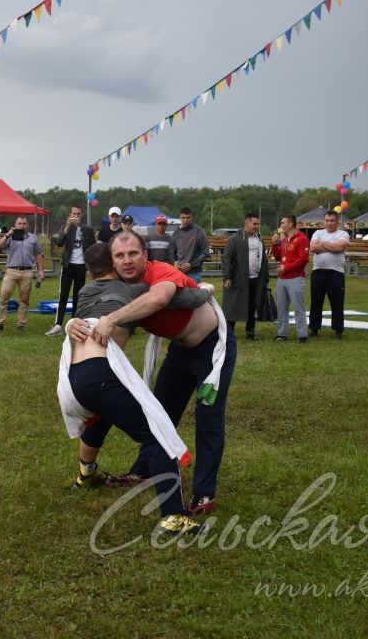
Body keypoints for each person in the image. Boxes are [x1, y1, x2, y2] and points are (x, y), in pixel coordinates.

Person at [71, 232, 237, 516]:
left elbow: (159, 299)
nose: (127, 261)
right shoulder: (121, 286)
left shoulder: (161, 271)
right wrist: (72, 324)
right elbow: (94, 305)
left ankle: (204, 493)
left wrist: (112, 319)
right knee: (159, 411)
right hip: (181, 350)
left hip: (211, 347)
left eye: (133, 253)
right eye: (119, 256)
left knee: (208, 416)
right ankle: (144, 472)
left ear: (145, 255)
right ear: (112, 262)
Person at [47, 206, 95, 337]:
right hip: (68, 265)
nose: (76, 216)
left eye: (78, 214)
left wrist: (89, 266)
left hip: (81, 266)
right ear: (70, 215)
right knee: (63, 295)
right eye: (74, 213)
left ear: (82, 215)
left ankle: (75, 323)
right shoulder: (65, 228)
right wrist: (67, 227)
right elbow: (59, 243)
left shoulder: (87, 230)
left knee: (78, 297)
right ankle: (58, 325)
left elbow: (93, 246)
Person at [0, 216, 46, 332]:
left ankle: (21, 324)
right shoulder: (10, 236)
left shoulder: (33, 238)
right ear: (15, 224)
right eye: (19, 223)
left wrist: (41, 270)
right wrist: (7, 234)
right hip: (11, 270)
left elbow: (38, 254)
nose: (22, 226)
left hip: (27, 271)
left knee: (24, 299)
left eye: (24, 223)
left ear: (28, 225)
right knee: (4, 297)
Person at [221, 213, 268, 341]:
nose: (257, 226)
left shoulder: (259, 239)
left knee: (253, 305)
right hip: (238, 279)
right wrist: (227, 277)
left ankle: (250, 331)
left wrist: (265, 278)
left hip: (255, 279)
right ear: (246, 224)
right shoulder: (235, 239)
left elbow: (264, 260)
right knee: (233, 305)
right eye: (254, 224)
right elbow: (227, 259)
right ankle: (229, 332)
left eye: (258, 224)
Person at [309, 210, 350, 340]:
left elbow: (340, 248)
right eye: (327, 220)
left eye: (332, 220)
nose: (329, 223)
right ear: (324, 221)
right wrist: (331, 246)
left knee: (337, 303)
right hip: (318, 272)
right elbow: (313, 248)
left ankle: (338, 331)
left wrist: (322, 244)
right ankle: (314, 329)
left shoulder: (343, 233)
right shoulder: (318, 232)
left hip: (336, 273)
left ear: (337, 222)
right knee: (316, 302)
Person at [270, 214, 310, 343]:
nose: (281, 226)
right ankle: (282, 334)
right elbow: (277, 257)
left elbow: (303, 260)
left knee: (298, 307)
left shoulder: (302, 238)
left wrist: (286, 268)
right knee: (281, 307)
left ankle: (302, 335)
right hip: (282, 278)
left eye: (282, 223)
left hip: (296, 278)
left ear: (291, 224)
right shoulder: (284, 240)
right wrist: (274, 244)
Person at [168, 207, 209, 283]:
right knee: (180, 295)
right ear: (180, 218)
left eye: (188, 217)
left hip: (194, 273)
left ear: (191, 217)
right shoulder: (176, 234)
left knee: (193, 294)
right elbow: (171, 253)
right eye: (183, 218)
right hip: (178, 272)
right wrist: (174, 262)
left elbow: (205, 253)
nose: (185, 220)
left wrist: (191, 264)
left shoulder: (200, 232)